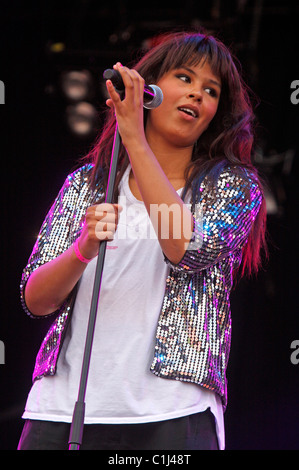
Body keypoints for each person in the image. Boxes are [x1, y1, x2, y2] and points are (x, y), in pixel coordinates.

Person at [17, 31, 267, 450]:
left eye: (210, 90)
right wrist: (82, 250)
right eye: (185, 79)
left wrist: (133, 136)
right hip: (62, 408)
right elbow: (35, 300)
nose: (198, 95)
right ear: (149, 90)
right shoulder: (87, 184)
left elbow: (185, 249)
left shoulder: (232, 184)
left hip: (171, 412)